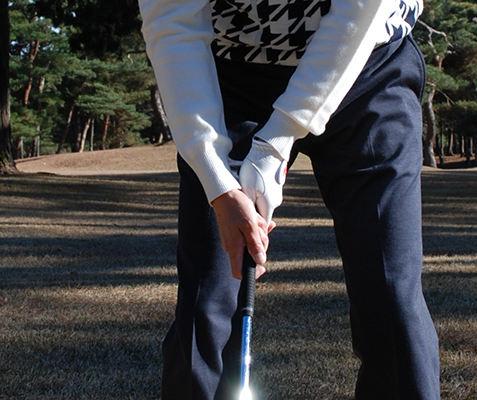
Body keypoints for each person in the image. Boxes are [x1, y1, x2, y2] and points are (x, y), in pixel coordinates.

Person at [138, 0, 440, 398]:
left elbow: (361, 10)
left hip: (368, 61)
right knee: (207, 299)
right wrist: (218, 184)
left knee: (389, 295)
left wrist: (276, 142)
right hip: (233, 72)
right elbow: (172, 25)